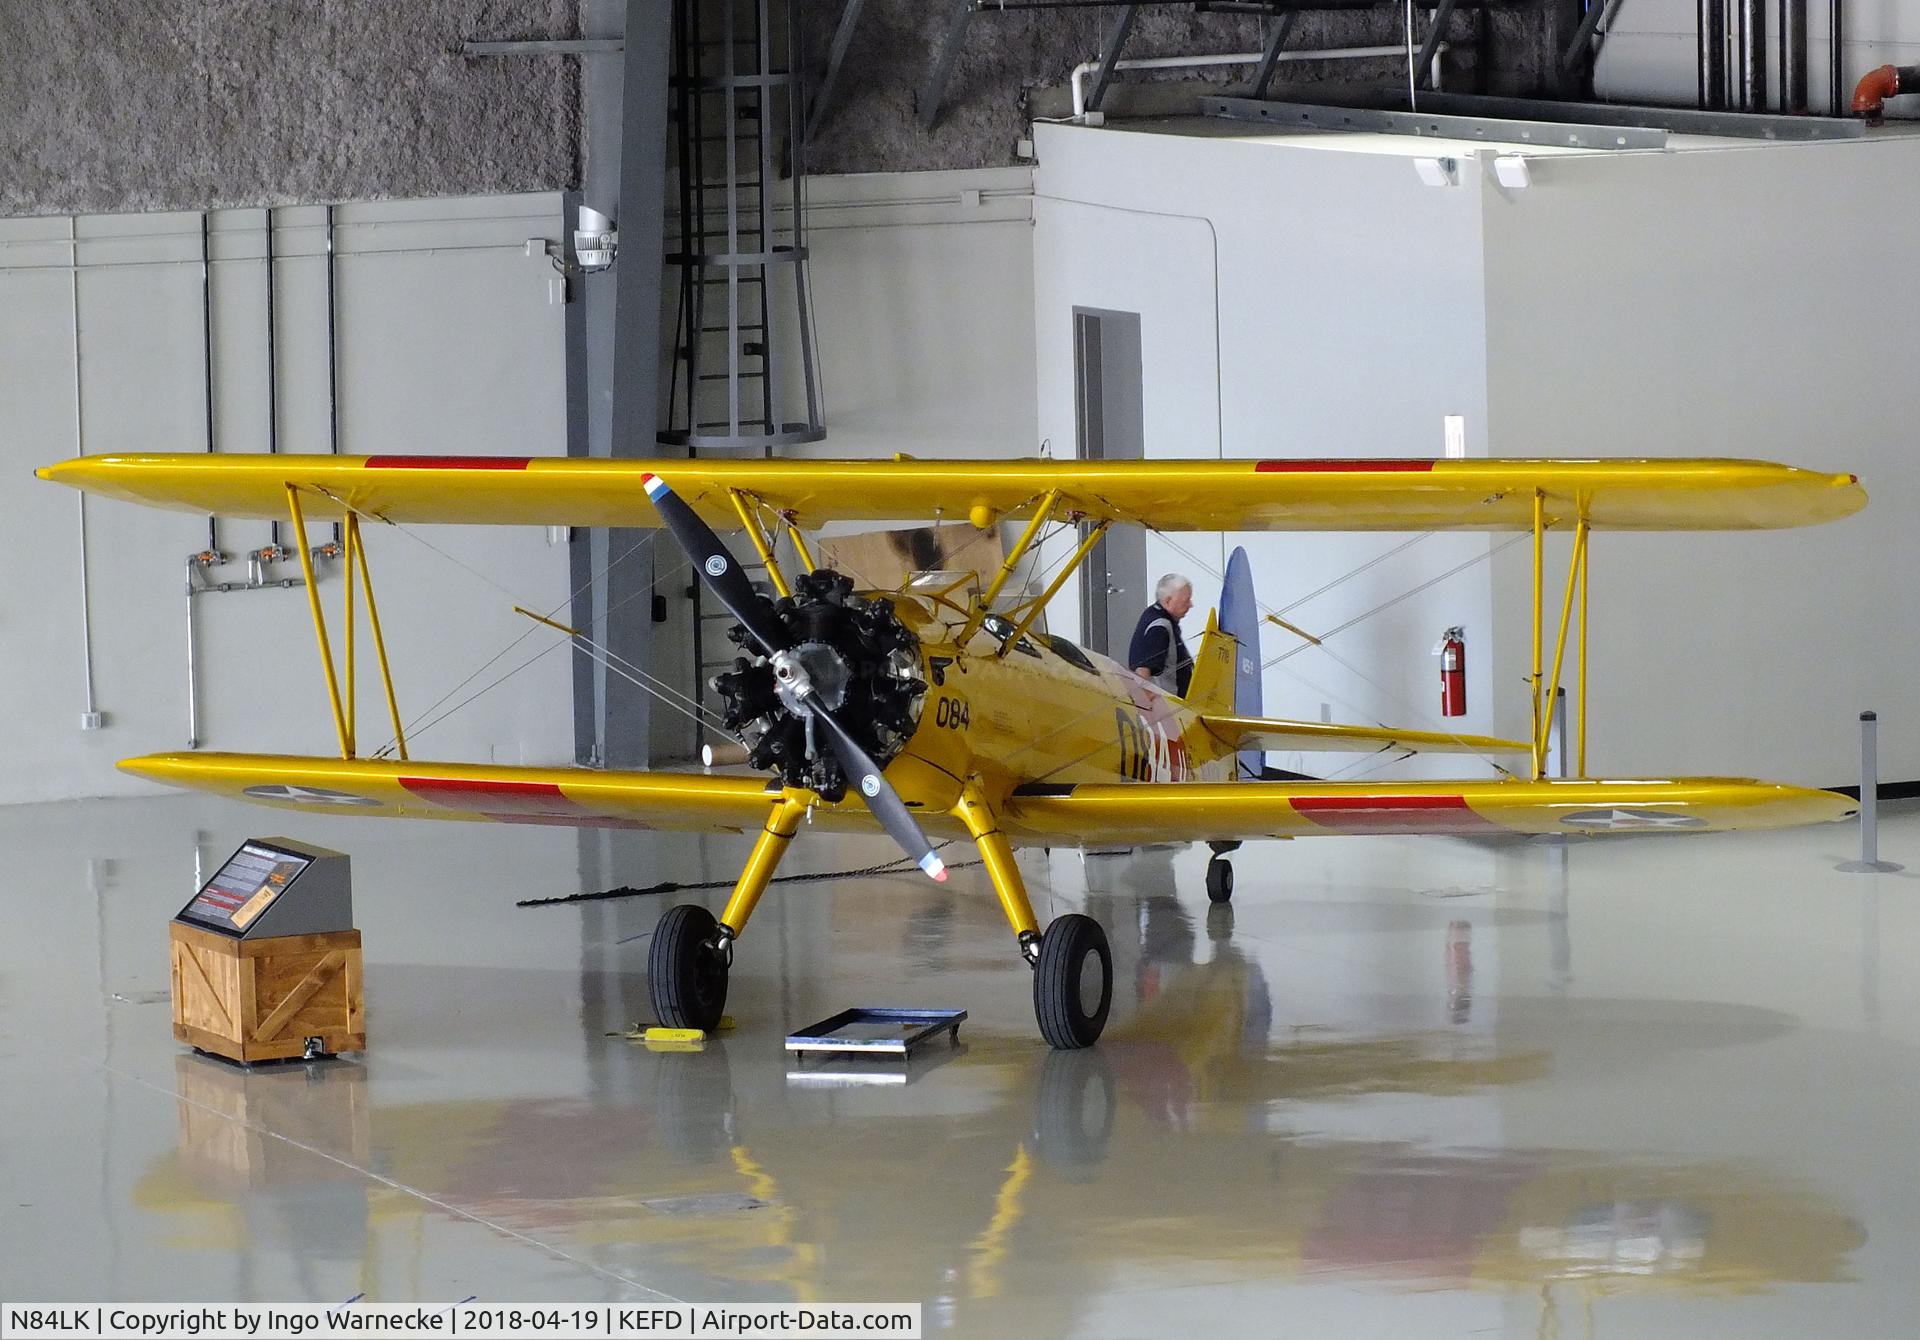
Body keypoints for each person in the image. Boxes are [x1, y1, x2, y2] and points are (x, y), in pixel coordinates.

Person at [1128, 574, 1195, 696]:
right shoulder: (1160, 626)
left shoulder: (1156, 615)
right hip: (1167, 706)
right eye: (1186, 600)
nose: (1191, 605)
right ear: (1168, 601)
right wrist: (1149, 702)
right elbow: (1143, 668)